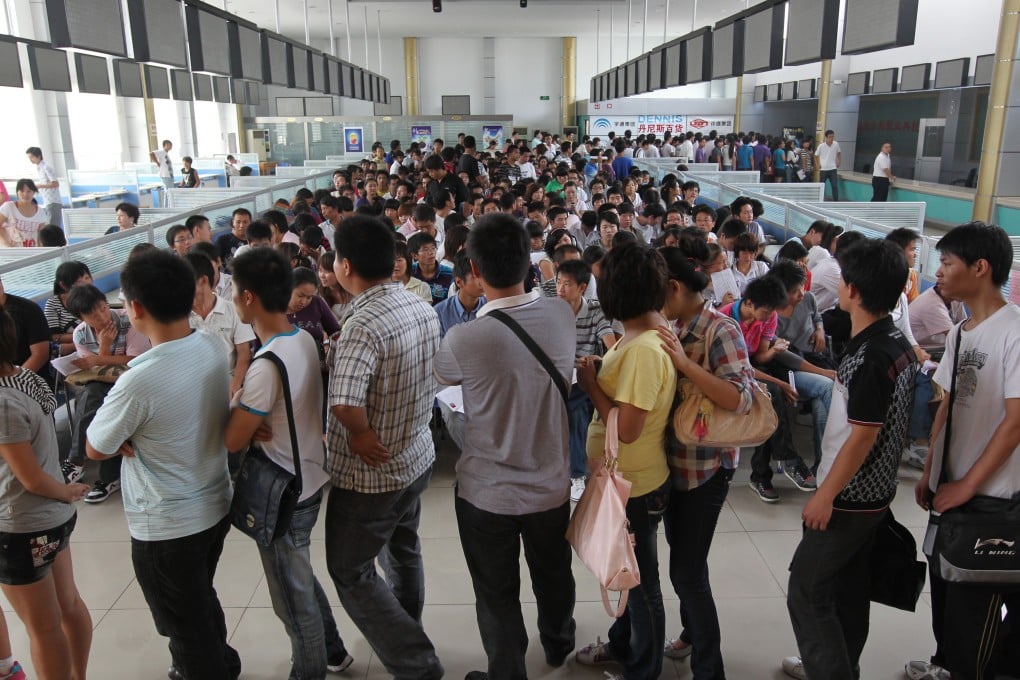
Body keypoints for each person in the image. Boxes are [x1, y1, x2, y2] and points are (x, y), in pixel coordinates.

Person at [434, 214, 577, 680]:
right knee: (554, 574)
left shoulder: (464, 338)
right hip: (550, 488)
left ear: (474, 268)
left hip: (486, 493)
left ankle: (507, 669)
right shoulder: (561, 315)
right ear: (529, 262)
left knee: (495, 592)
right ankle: (558, 644)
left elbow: (442, 377)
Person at [85, 250, 240, 680]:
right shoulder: (209, 343)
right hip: (213, 502)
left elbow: (96, 445)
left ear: (134, 308)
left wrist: (125, 436)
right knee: (199, 601)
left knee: (185, 627)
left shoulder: (139, 379)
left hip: (167, 523)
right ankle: (224, 663)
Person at [783, 238, 918, 680]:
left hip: (848, 500)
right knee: (848, 592)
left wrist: (825, 496)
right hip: (874, 495)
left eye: (842, 280)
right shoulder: (893, 340)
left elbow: (862, 435)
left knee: (807, 591)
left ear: (855, 291)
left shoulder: (871, 355)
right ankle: (844, 666)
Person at [225, 248, 354, 679]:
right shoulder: (301, 338)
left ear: (249, 298)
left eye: (233, 289)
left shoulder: (265, 366)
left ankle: (310, 670)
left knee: (291, 601)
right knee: (298, 573)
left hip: (283, 492)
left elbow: (232, 439)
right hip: (311, 477)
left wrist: (239, 406)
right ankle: (334, 650)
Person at [325, 216, 444, 680]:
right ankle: (405, 624)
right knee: (402, 548)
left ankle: (415, 662)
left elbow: (345, 401)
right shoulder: (417, 304)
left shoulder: (363, 324)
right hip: (415, 456)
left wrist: (358, 433)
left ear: (346, 265)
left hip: (371, 476)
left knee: (350, 569)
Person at [908, 222, 1020, 680]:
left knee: (977, 617)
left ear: (980, 268)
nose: (939, 272)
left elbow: (1016, 422)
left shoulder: (1013, 331)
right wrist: (930, 471)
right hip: (951, 492)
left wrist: (969, 485)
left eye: (948, 263)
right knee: (949, 597)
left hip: (993, 497)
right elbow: (947, 406)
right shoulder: (960, 333)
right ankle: (947, 666)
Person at [574, 243, 676, 680]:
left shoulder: (645, 350)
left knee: (641, 584)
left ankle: (644, 671)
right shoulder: (640, 336)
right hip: (626, 481)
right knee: (628, 575)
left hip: (632, 485)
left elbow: (629, 428)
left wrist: (590, 383)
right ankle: (623, 646)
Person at [656, 247, 756, 673]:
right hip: (673, 465)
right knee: (684, 557)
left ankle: (709, 667)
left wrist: (683, 363)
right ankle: (692, 635)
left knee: (687, 574)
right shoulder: (673, 325)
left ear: (675, 288)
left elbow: (739, 398)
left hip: (706, 470)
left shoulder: (721, 330)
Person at [0, 309, 91, 680]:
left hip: (22, 525)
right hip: (51, 521)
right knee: (68, 606)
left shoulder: (2, 405)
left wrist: (66, 491)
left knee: (44, 626)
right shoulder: (22, 379)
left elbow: (31, 479)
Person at [64, 284, 150, 499]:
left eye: (103, 308)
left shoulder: (129, 321)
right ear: (81, 317)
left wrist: (100, 358)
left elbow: (134, 360)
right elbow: (95, 372)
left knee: (100, 400)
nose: (102, 317)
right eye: (93, 315)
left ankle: (76, 461)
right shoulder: (81, 335)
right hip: (104, 385)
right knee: (98, 399)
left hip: (135, 381)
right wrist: (104, 348)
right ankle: (108, 477)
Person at [554, 259, 615, 502]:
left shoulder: (595, 310)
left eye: (567, 284)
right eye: (558, 282)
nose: (560, 289)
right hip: (558, 374)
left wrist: (601, 357)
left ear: (581, 287)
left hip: (585, 374)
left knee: (575, 406)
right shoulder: (551, 310)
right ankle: (576, 472)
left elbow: (609, 342)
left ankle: (577, 473)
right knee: (575, 410)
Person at [185, 254, 253, 399]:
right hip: (191, 385)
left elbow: (244, 353)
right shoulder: (178, 315)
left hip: (227, 381)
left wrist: (235, 385)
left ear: (203, 281)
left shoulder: (232, 310)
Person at [44, 261, 92, 358]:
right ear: (63, 285)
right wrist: (84, 339)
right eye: (79, 281)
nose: (86, 283)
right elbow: (54, 336)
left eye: (87, 278)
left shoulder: (96, 299)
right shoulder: (53, 304)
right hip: (70, 355)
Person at [0, 179, 50, 248]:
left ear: (33, 192)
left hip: (31, 253)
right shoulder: (8, 207)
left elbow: (41, 236)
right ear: (17, 192)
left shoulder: (40, 212)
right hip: (10, 252)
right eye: (22, 191)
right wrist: (7, 245)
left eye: (28, 191)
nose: (25, 194)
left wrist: (40, 250)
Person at [25, 147, 61, 227]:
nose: (30, 160)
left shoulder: (46, 168)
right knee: (50, 225)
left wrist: (40, 185)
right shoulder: (39, 168)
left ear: (39, 156)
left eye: (32, 157)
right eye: (29, 158)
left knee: (53, 227)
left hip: (53, 201)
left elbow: (55, 183)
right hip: (48, 201)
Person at [150, 139, 174, 208]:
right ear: (164, 145)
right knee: (169, 192)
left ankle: (169, 206)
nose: (170, 146)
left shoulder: (166, 154)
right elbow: (151, 153)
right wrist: (157, 162)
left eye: (171, 145)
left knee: (169, 192)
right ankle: (168, 207)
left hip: (169, 176)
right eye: (168, 145)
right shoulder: (161, 152)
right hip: (165, 175)